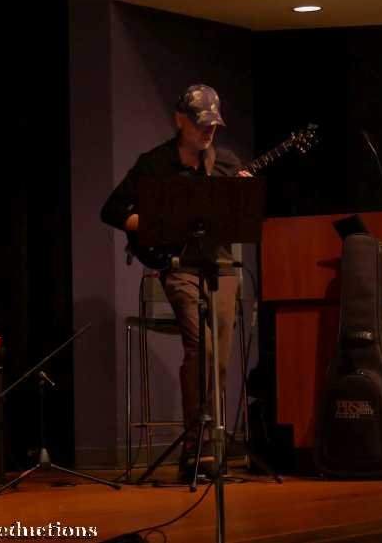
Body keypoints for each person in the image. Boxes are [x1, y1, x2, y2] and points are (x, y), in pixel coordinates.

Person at [100, 84, 249, 480]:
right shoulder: (154, 164)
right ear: (180, 119)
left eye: (214, 125)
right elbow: (112, 210)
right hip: (179, 266)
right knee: (201, 348)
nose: (208, 131)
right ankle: (196, 446)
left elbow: (238, 222)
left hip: (220, 267)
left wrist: (241, 197)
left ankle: (210, 445)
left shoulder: (226, 163)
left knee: (218, 358)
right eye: (201, 124)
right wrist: (154, 223)